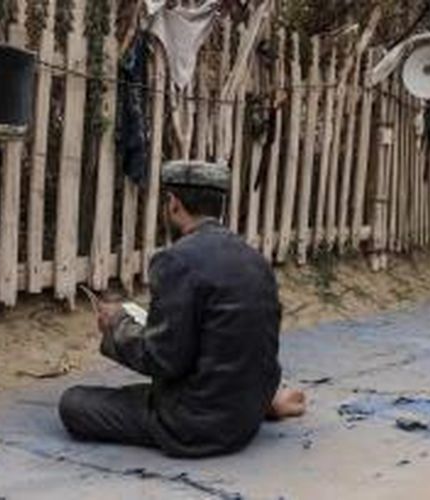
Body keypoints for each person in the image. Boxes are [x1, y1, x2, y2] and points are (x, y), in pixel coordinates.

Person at [58, 161, 305, 458]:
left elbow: (164, 359)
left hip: (195, 426)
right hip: (247, 416)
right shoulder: (255, 259)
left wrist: (117, 325)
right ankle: (266, 404)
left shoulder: (177, 261)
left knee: (73, 403)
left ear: (173, 205)